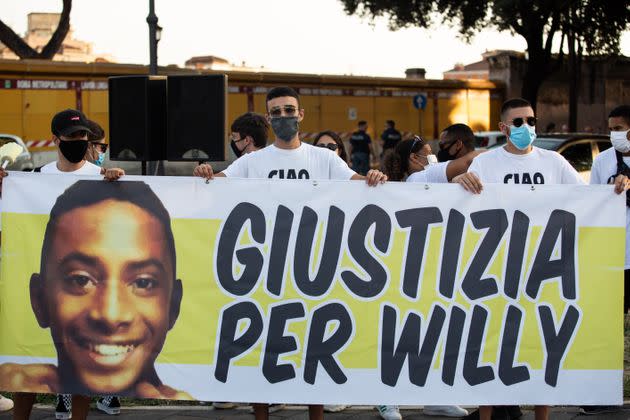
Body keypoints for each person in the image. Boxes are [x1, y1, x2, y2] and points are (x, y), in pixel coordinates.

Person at [194, 86, 387, 420]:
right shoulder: (253, 162)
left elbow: (358, 183)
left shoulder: (324, 158)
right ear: (269, 118)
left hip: (312, 269)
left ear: (301, 115)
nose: (283, 116)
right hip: (266, 270)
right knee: (263, 346)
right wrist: (204, 174)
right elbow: (216, 184)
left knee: (312, 345)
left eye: (289, 110)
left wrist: (373, 176)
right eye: (276, 112)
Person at [453, 98, 629, 420]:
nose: (527, 128)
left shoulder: (554, 163)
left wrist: (615, 188)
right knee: (492, 346)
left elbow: (588, 199)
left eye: (531, 121)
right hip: (497, 270)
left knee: (539, 348)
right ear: (504, 127)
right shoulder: (486, 163)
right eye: (518, 122)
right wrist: (458, 181)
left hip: (542, 271)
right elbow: (457, 199)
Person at [582, 105, 630, 416]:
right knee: (609, 329)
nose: (614, 134)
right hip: (612, 257)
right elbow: (592, 203)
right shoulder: (602, 161)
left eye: (620, 128)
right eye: (610, 127)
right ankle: (603, 392)